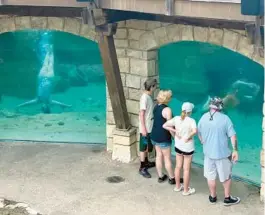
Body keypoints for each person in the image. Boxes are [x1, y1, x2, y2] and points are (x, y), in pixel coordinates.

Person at [197, 97, 240, 206]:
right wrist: (235, 150)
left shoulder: (203, 117)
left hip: (208, 154)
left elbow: (198, 131)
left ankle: (213, 197)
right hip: (222, 154)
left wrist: (202, 140)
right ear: (220, 106)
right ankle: (227, 198)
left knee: (210, 176)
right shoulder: (225, 119)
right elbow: (233, 136)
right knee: (226, 177)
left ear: (210, 106)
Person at [163, 102, 197, 196]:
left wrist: (175, 131)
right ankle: (186, 190)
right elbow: (195, 131)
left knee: (178, 166)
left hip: (178, 147)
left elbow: (164, 125)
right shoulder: (191, 121)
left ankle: (178, 187)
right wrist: (188, 137)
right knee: (186, 169)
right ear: (190, 112)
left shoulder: (176, 119)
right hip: (188, 148)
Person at [150, 90, 175, 184]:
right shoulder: (167, 110)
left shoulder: (156, 107)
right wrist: (175, 136)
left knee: (158, 156)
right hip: (163, 137)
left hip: (155, 136)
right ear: (168, 99)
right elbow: (169, 126)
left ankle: (160, 176)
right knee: (167, 158)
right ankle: (172, 178)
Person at [138, 78, 157, 178]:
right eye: (155, 86)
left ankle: (146, 162)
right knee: (143, 147)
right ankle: (142, 167)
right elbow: (142, 114)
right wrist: (144, 128)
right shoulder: (144, 98)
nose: (156, 88)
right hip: (145, 128)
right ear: (151, 87)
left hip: (149, 127)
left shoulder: (148, 97)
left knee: (147, 146)